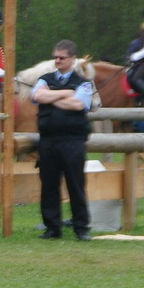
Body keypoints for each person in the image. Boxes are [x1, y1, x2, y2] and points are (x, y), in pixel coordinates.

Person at [31, 40, 96, 241]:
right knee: (48, 185)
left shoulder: (83, 82)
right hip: (48, 140)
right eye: (55, 57)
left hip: (73, 141)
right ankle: (52, 228)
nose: (57, 61)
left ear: (72, 59)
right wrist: (65, 93)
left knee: (76, 184)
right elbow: (37, 95)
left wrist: (52, 97)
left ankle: (81, 227)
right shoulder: (44, 79)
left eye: (62, 57)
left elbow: (79, 104)